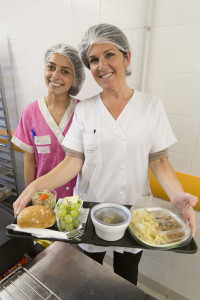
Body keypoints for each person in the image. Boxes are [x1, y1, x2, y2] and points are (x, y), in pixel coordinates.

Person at [13, 24, 198, 285]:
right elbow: (73, 161)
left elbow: (159, 160)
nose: (102, 65)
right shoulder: (85, 110)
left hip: (135, 214)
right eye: (93, 60)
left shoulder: (150, 106)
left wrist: (176, 194)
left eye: (109, 55)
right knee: (87, 276)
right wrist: (34, 186)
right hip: (90, 210)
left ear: (127, 57)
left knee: (127, 276)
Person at [11, 43, 85, 198]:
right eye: (51, 67)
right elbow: (30, 161)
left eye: (65, 71)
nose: (55, 75)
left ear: (75, 79)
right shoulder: (30, 112)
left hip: (77, 198)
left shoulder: (83, 112)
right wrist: (32, 197)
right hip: (44, 197)